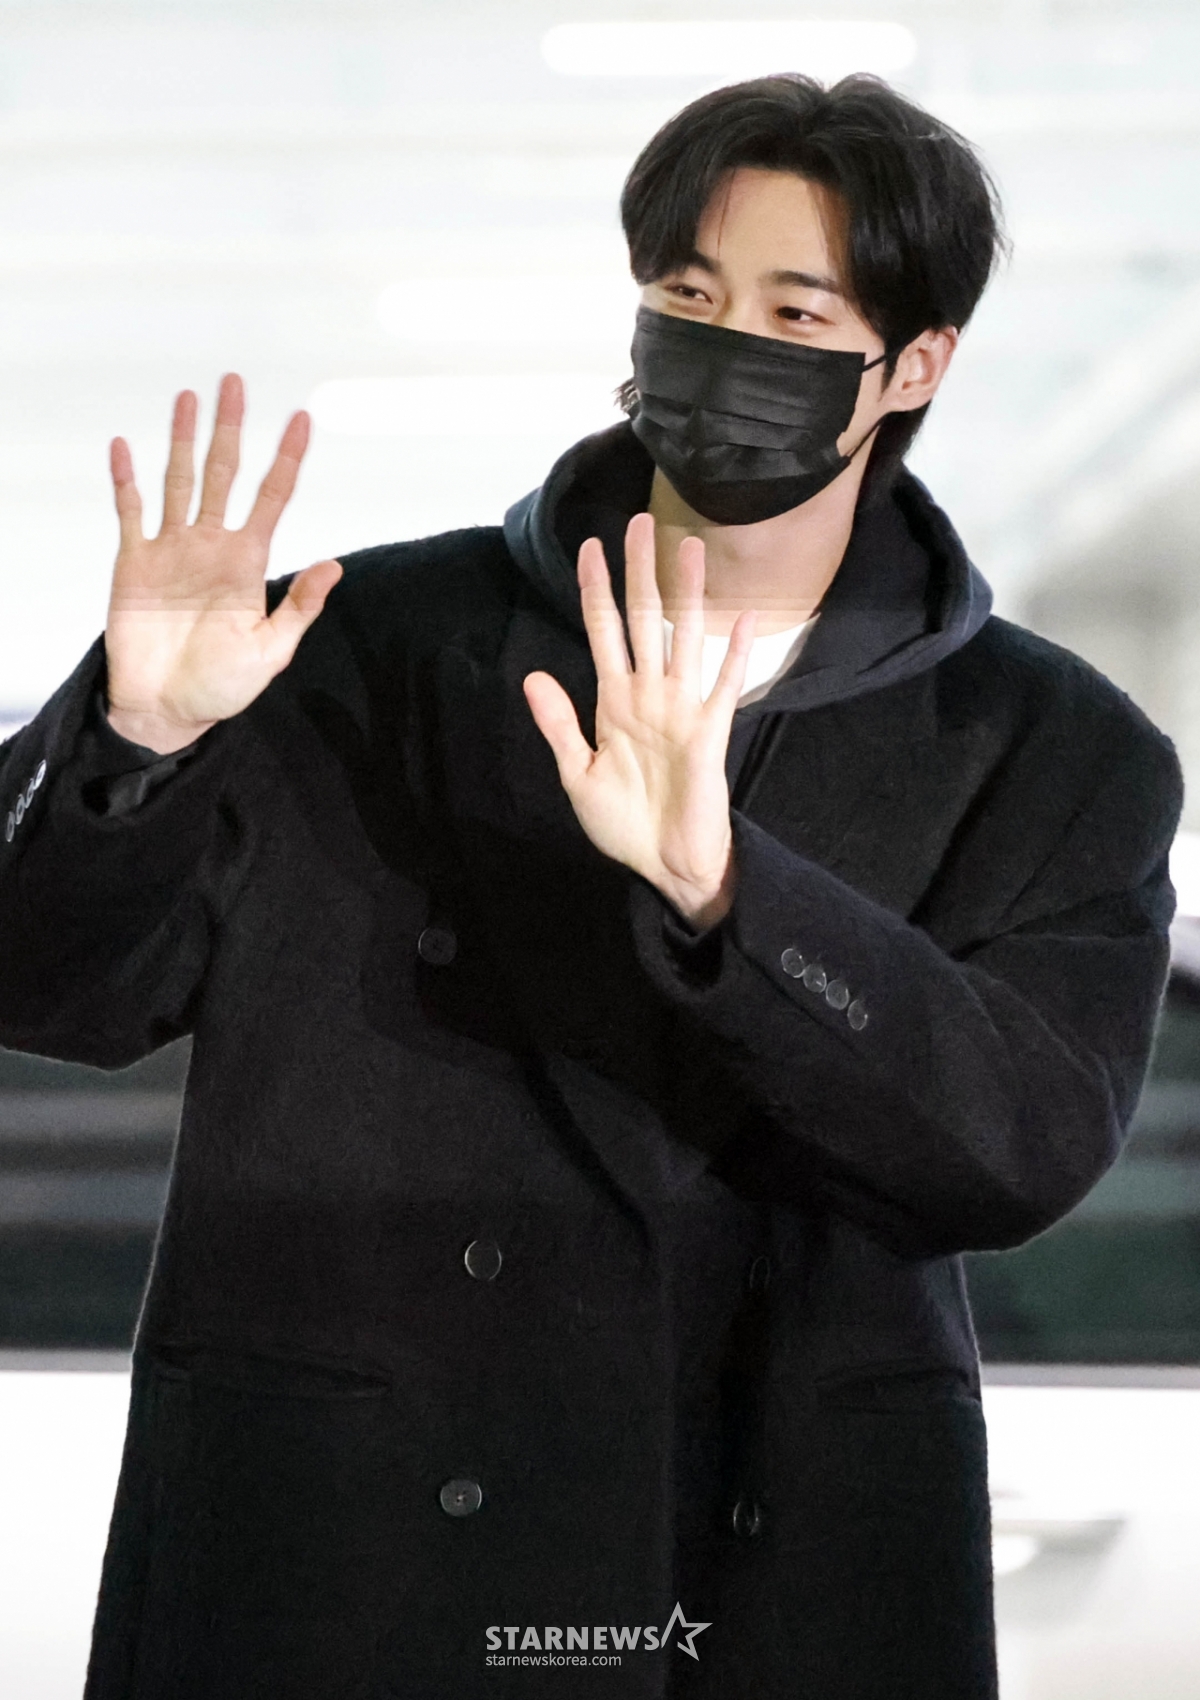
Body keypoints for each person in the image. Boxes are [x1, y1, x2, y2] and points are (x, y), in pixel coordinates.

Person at [0, 73, 1181, 1700]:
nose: (724, 345)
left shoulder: (1052, 752)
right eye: (688, 296)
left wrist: (729, 895)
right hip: (347, 1555)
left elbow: (1015, 1150)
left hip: (764, 1569)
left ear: (914, 364)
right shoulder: (357, 645)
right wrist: (139, 743)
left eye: (793, 312)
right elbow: (52, 989)